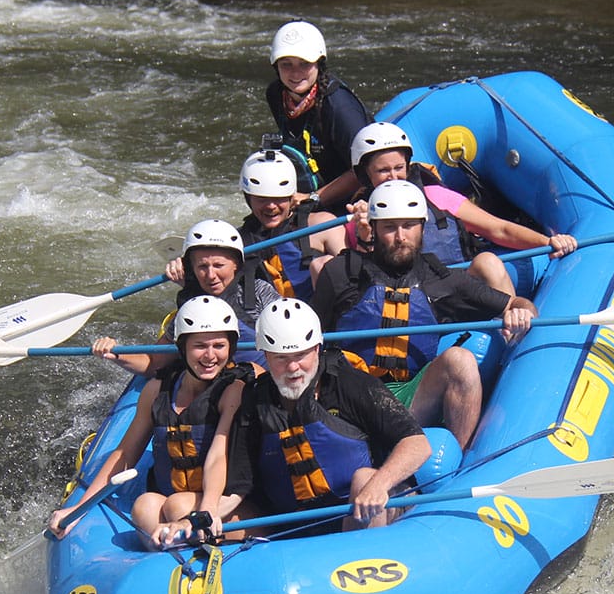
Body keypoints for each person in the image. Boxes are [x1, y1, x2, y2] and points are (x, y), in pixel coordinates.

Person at [311, 180, 538, 449]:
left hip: (409, 398)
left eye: (408, 226)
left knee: (461, 361)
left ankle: (458, 459)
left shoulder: (443, 280)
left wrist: (522, 312)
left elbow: (517, 303)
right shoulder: (341, 273)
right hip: (350, 397)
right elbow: (312, 339)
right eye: (389, 227)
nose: (400, 237)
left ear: (422, 226)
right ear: (373, 228)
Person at [47, 296, 253, 549]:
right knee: (145, 506)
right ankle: (175, 548)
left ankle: (189, 540)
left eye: (219, 346)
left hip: (225, 501)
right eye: (200, 346)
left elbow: (218, 456)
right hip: (180, 500)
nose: (210, 355)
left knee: (176, 505)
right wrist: (80, 507)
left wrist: (206, 510)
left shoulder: (234, 390)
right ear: (182, 347)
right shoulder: (157, 390)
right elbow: (126, 453)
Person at [234, 298, 431, 532]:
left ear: (317, 349)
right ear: (266, 356)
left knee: (364, 479)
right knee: (233, 518)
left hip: (359, 509)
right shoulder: (254, 399)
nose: (293, 367)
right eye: (281, 358)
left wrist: (378, 485)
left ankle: (370, 549)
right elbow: (240, 480)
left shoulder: (350, 384)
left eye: (301, 355)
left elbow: (417, 444)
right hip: (292, 524)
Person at [346, 121, 578, 292]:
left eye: (399, 168)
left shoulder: (436, 197)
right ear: (366, 175)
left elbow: (498, 229)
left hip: (458, 287)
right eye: (383, 171)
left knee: (488, 262)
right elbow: (363, 281)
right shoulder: (358, 219)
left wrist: (547, 242)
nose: (394, 177)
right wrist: (365, 236)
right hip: (408, 298)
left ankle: (513, 334)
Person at [103, 218, 279, 375]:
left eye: (219, 265)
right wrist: (115, 353)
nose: (210, 275)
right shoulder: (191, 309)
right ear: (192, 268)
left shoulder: (257, 291)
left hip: (261, 382)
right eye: (202, 266)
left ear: (236, 265)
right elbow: (153, 363)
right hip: (215, 387)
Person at [265, 20, 372, 211]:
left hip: (352, 197)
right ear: (276, 66)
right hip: (311, 189)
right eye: (286, 64)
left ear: (319, 64)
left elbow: (364, 168)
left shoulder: (339, 106)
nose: (295, 73)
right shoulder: (275, 94)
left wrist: (312, 198)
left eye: (304, 64)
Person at [236, 147, 349, 300]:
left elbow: (354, 276)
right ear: (248, 199)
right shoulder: (237, 240)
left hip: (319, 312)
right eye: (262, 199)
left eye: (279, 198)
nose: (271, 206)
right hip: (264, 313)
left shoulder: (323, 225)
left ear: (291, 197)